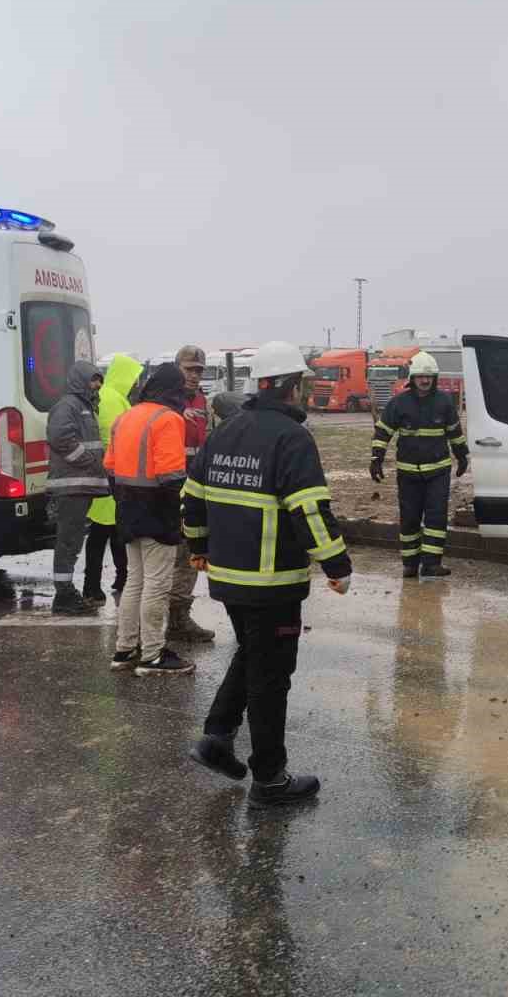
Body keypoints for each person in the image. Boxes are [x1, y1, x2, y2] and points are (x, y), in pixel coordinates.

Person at [182, 341, 353, 807]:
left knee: (254, 655)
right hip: (272, 582)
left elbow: (192, 498)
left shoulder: (225, 432)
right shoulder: (292, 439)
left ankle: (216, 737)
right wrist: (337, 566)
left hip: (228, 579)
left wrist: (198, 546)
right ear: (293, 386)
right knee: (271, 676)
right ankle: (270, 779)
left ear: (259, 385)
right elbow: (310, 511)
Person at [106, 362, 196, 677]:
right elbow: (172, 476)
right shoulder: (168, 419)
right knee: (157, 583)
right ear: (173, 389)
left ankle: (125, 649)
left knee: (135, 580)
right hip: (158, 509)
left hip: (127, 507)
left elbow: (110, 467)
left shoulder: (125, 417)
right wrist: (183, 513)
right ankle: (154, 655)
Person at [370, 351, 468, 580]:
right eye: (420, 377)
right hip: (408, 473)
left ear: (435, 378)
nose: (425, 381)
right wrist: (376, 458)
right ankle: (410, 565)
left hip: (438, 472)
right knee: (410, 518)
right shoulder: (399, 403)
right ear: (412, 378)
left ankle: (431, 564)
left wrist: (462, 456)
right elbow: (382, 432)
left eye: (429, 376)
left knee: (436, 518)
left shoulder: (444, 402)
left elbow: (455, 432)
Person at [46, 360, 109, 612]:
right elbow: (60, 438)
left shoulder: (83, 406)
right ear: (81, 381)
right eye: (93, 380)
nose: (97, 385)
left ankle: (66, 592)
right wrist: (89, 462)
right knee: (68, 541)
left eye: (99, 380)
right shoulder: (69, 406)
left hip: (80, 485)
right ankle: (63, 596)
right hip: (72, 485)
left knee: (72, 540)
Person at [84, 353, 143, 605]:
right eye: (134, 378)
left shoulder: (112, 396)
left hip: (108, 473)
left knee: (112, 531)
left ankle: (117, 579)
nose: (136, 384)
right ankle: (95, 586)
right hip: (110, 474)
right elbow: (114, 437)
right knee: (105, 533)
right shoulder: (111, 399)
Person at [166, 344, 216, 643]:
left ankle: (177, 618)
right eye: (189, 369)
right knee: (167, 557)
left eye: (199, 370)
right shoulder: (163, 402)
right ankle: (162, 620)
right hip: (168, 487)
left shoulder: (202, 402)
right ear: (176, 368)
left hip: (194, 486)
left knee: (189, 553)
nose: (195, 376)